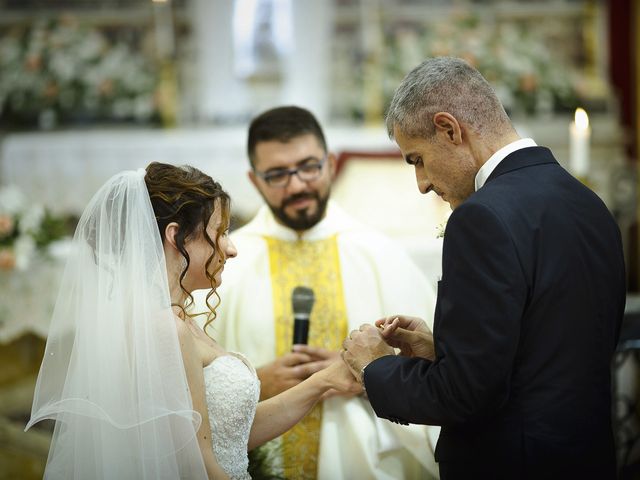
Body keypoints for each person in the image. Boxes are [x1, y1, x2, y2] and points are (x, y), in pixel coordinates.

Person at [342, 56, 626, 479]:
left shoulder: (481, 217)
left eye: (417, 159)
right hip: (587, 457)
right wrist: (444, 350)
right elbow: (551, 351)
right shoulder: (588, 204)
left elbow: (465, 396)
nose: (421, 184)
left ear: (449, 129)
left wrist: (375, 366)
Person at [26, 162, 358, 479]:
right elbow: (194, 466)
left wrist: (324, 381)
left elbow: (225, 437)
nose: (231, 249)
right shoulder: (162, 328)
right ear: (177, 236)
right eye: (220, 232)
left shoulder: (174, 317)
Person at [204, 106, 440, 479]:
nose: (297, 185)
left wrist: (372, 371)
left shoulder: (378, 253)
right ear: (254, 180)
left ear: (330, 164)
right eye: (278, 174)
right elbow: (180, 384)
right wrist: (252, 385)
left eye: (308, 167)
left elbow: (437, 368)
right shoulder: (223, 261)